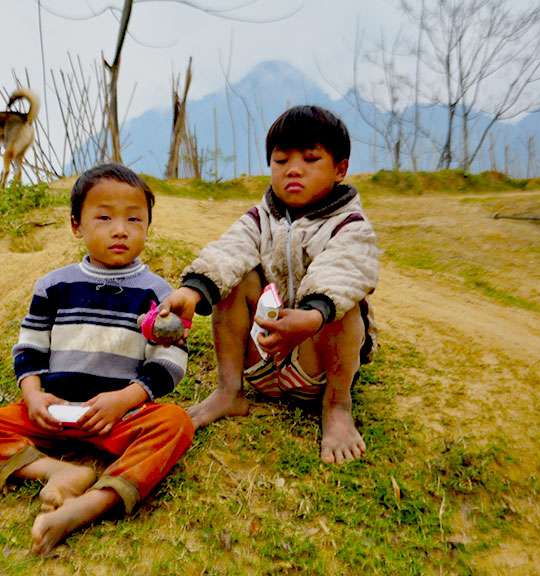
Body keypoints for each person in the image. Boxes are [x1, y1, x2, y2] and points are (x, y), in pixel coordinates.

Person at [0, 164, 193, 554]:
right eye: (104, 217)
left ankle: (93, 504)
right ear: (76, 225)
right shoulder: (53, 285)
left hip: (117, 416)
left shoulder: (158, 291)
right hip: (53, 414)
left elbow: (170, 360)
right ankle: (59, 470)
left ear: (148, 226)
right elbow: (29, 348)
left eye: (134, 219)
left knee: (175, 422)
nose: (120, 229)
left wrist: (125, 400)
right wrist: (33, 396)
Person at [162, 105, 379, 464]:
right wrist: (192, 290)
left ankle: (338, 407)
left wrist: (311, 317)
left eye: (310, 159)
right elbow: (228, 251)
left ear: (340, 169)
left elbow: (342, 272)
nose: (293, 169)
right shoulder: (260, 217)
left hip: (315, 368)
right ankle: (228, 391)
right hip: (262, 361)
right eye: (281, 161)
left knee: (344, 304)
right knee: (235, 275)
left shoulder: (351, 225)